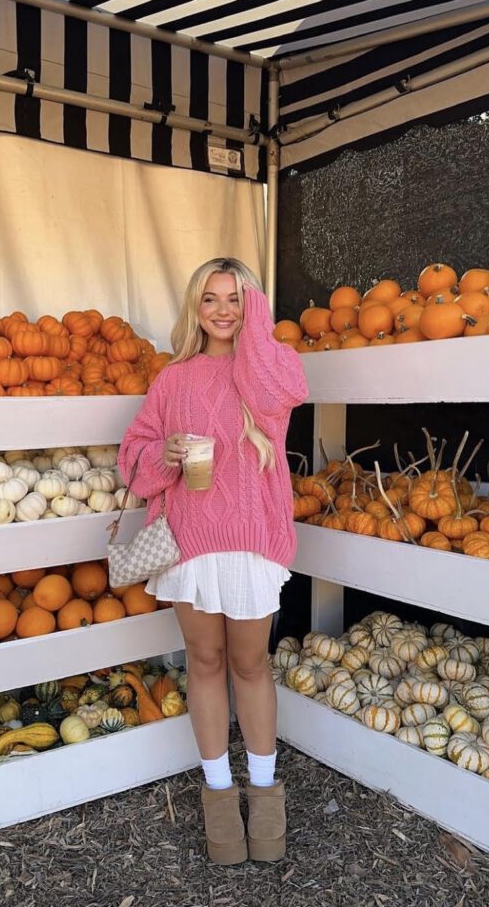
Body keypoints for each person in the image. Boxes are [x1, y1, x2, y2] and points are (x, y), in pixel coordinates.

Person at [118, 257, 307, 865]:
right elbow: (134, 456)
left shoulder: (272, 365)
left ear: (252, 305)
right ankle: (220, 806)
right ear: (194, 309)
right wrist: (165, 451)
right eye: (210, 300)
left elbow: (283, 394)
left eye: (236, 298)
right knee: (204, 661)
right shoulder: (174, 380)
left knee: (251, 666)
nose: (223, 311)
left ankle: (267, 801)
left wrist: (258, 327)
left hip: (250, 540)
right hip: (191, 539)